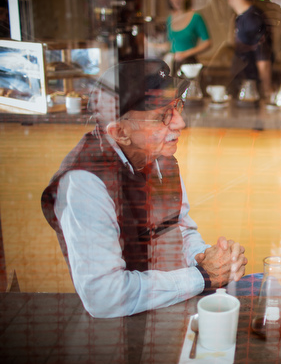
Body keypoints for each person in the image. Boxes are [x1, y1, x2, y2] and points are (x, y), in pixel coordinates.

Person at [41, 59, 247, 318]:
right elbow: (104, 297)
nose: (180, 123)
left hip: (163, 309)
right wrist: (202, 277)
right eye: (162, 116)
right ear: (120, 133)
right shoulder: (85, 183)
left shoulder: (157, 154)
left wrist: (205, 258)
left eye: (177, 106)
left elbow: (177, 227)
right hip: (118, 333)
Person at [226, 0, 273, 99]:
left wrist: (266, 92)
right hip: (243, 88)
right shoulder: (243, 17)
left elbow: (263, 59)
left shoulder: (253, 19)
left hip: (251, 91)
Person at [165, 0, 211, 74]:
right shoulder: (169, 19)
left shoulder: (196, 17)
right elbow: (169, 44)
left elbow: (207, 42)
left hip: (189, 65)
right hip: (173, 65)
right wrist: (150, 45)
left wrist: (185, 54)